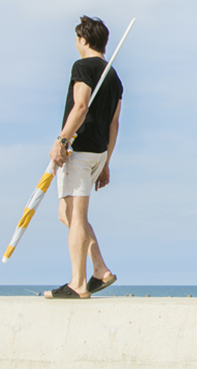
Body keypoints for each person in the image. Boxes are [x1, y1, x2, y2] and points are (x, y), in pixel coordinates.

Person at [43, 16, 122, 299]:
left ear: (83, 40)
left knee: (77, 217)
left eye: (77, 39)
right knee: (67, 214)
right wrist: (107, 162)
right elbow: (114, 124)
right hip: (99, 151)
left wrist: (61, 140)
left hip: (79, 149)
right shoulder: (114, 75)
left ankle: (78, 283)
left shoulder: (83, 66)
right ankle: (100, 269)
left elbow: (80, 105)